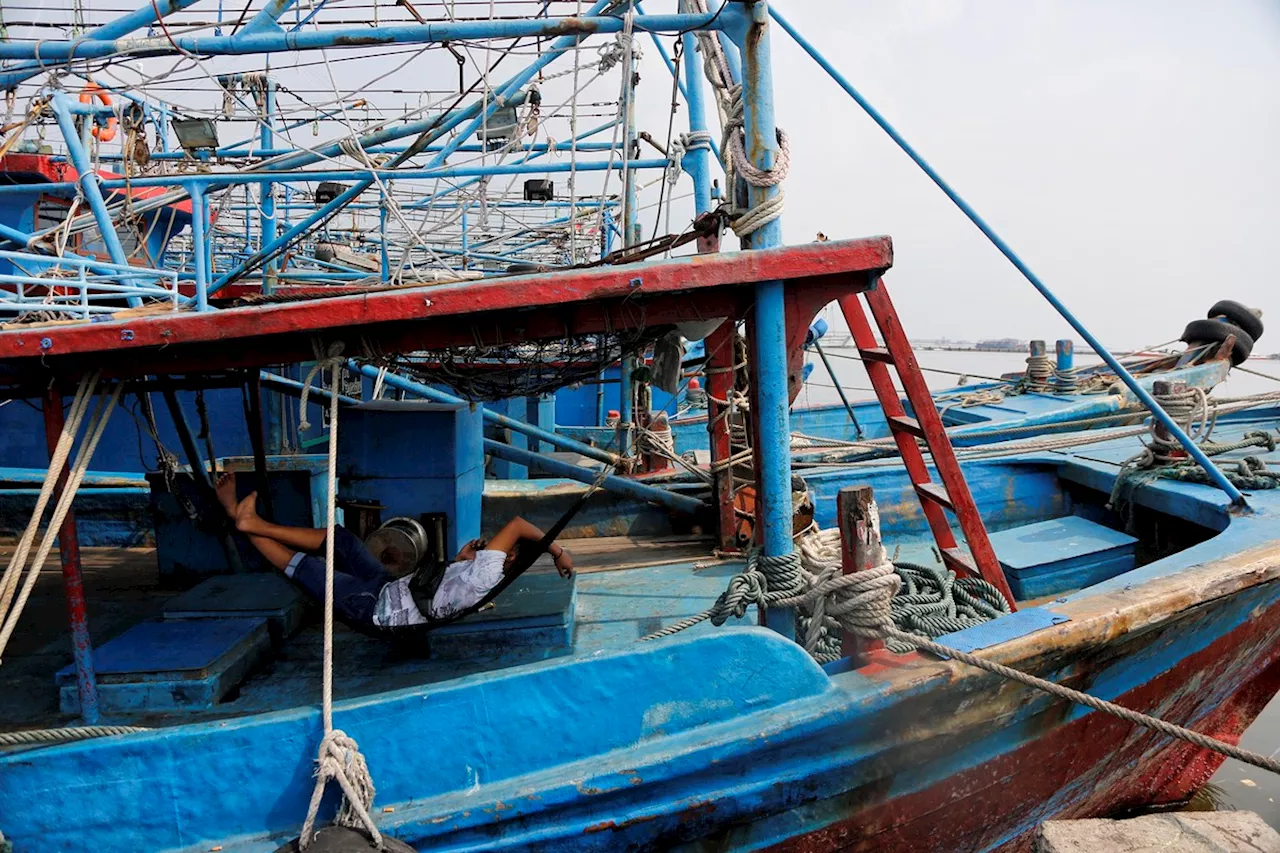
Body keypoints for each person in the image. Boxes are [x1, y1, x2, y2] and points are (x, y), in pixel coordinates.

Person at [214, 473, 573, 630]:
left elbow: (519, 525)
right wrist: (458, 563)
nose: (494, 544)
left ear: (509, 557)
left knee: (308, 569)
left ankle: (243, 521)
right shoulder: (480, 574)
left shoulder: (489, 575)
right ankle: (247, 522)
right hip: (389, 586)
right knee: (343, 539)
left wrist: (557, 552)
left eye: (502, 548)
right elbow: (442, 590)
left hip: (374, 609)